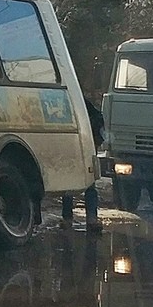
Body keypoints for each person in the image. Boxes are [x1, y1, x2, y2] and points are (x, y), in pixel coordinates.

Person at [63, 96, 106, 232]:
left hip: (74, 148)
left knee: (70, 186)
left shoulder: (65, 104)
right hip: (84, 147)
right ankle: (91, 220)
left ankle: (67, 220)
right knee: (89, 185)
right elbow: (99, 120)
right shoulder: (83, 104)